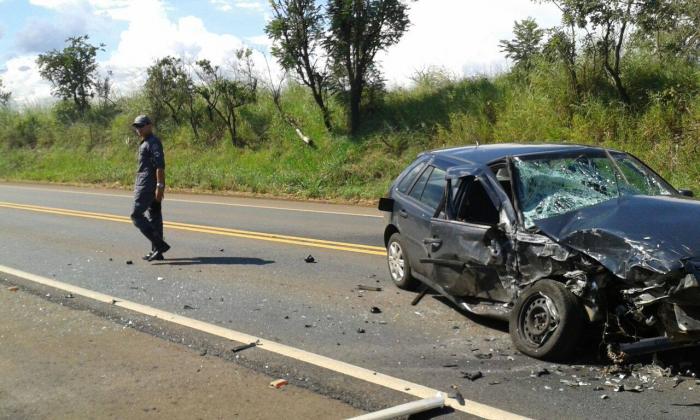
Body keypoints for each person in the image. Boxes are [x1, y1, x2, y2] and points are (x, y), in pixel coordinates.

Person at [130, 115, 170, 261]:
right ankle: (157, 251)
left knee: (136, 215)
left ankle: (159, 245)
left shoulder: (153, 142)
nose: (138, 129)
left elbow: (160, 166)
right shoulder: (146, 142)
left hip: (147, 185)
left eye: (141, 126)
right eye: (136, 127)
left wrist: (160, 187)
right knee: (154, 216)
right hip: (146, 183)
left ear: (149, 125)